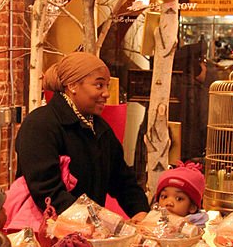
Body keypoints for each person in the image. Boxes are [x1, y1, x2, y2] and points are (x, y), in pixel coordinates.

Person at [15, 52, 149, 221]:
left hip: (89, 234)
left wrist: (140, 212)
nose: (106, 93)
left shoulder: (100, 128)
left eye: (107, 86)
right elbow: (47, 192)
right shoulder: (40, 125)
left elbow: (122, 180)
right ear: (72, 86)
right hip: (46, 234)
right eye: (99, 85)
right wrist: (100, 221)